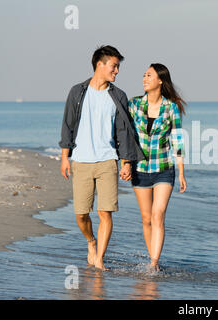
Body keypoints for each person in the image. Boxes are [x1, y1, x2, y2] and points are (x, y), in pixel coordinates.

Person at [59, 45, 145, 271]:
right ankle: (91, 241)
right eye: (114, 66)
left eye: (118, 67)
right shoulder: (77, 92)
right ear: (100, 64)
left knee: (105, 212)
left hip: (108, 161)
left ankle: (99, 260)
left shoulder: (118, 96)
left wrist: (126, 162)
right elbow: (67, 125)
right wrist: (65, 157)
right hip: (81, 160)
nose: (117, 71)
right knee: (81, 215)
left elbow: (124, 131)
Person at [128, 63, 187, 272]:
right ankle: (152, 256)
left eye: (149, 75)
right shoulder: (134, 105)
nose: (144, 78)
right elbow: (125, 135)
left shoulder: (170, 107)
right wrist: (125, 162)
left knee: (157, 215)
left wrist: (181, 171)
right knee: (146, 219)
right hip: (140, 169)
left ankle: (153, 264)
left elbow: (177, 140)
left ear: (160, 81)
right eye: (144, 75)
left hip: (164, 168)